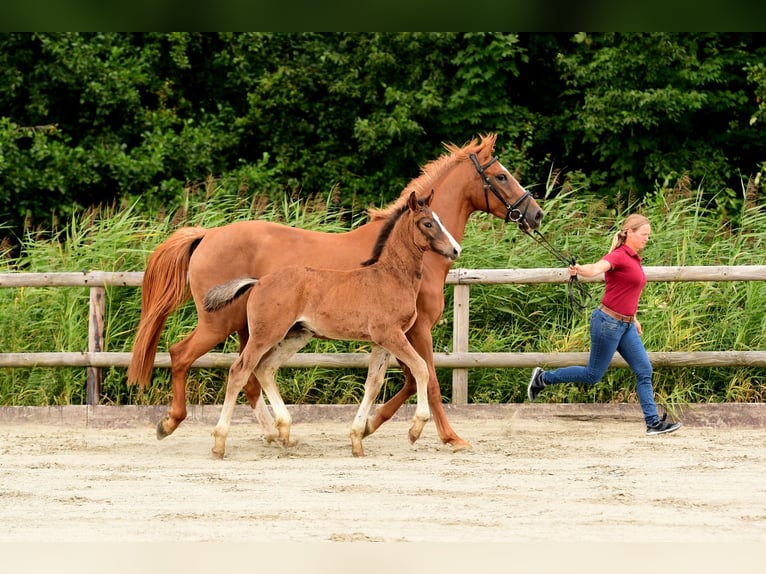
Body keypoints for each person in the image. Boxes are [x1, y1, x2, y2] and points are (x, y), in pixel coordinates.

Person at [527, 213, 682, 436]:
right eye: (644, 234)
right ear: (629, 233)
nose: (647, 238)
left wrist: (634, 317)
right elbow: (596, 268)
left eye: (648, 235)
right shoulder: (618, 256)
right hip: (607, 323)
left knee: (644, 370)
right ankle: (543, 378)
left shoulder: (634, 258)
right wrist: (580, 269)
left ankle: (653, 423)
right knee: (593, 375)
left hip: (626, 325)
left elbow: (627, 291)